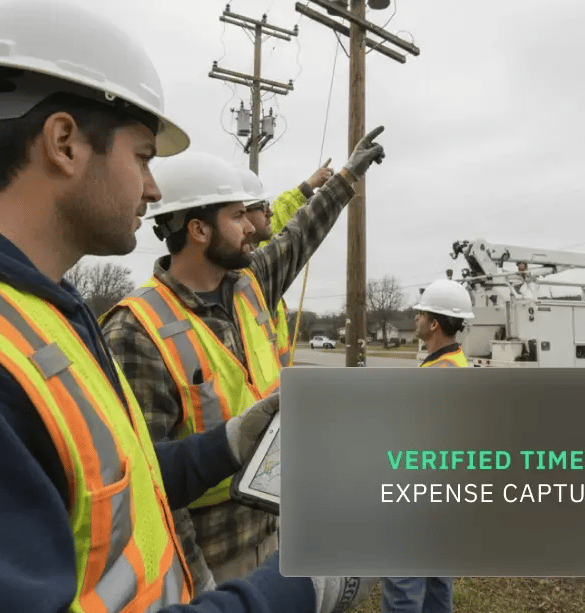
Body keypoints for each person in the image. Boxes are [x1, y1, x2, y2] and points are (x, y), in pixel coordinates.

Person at [0, 0, 376, 613]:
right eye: (142, 157)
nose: (153, 188)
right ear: (64, 142)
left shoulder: (39, 315)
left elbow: (110, 484)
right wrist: (301, 586)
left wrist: (224, 445)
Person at [101, 134, 385, 589]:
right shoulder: (135, 330)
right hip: (211, 560)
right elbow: (147, 481)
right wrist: (196, 582)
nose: (251, 226)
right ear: (199, 230)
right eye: (237, 216)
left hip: (274, 529)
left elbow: (300, 233)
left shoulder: (250, 284)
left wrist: (348, 175)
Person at [382, 279, 476, 613]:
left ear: (434, 323)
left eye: (421, 313)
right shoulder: (452, 362)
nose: (416, 317)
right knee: (436, 580)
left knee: (403, 585)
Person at [237, 159, 335, 366]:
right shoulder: (244, 271)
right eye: (263, 206)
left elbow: (282, 211)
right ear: (239, 214)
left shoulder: (259, 251)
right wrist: (345, 179)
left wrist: (309, 185)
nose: (270, 212)